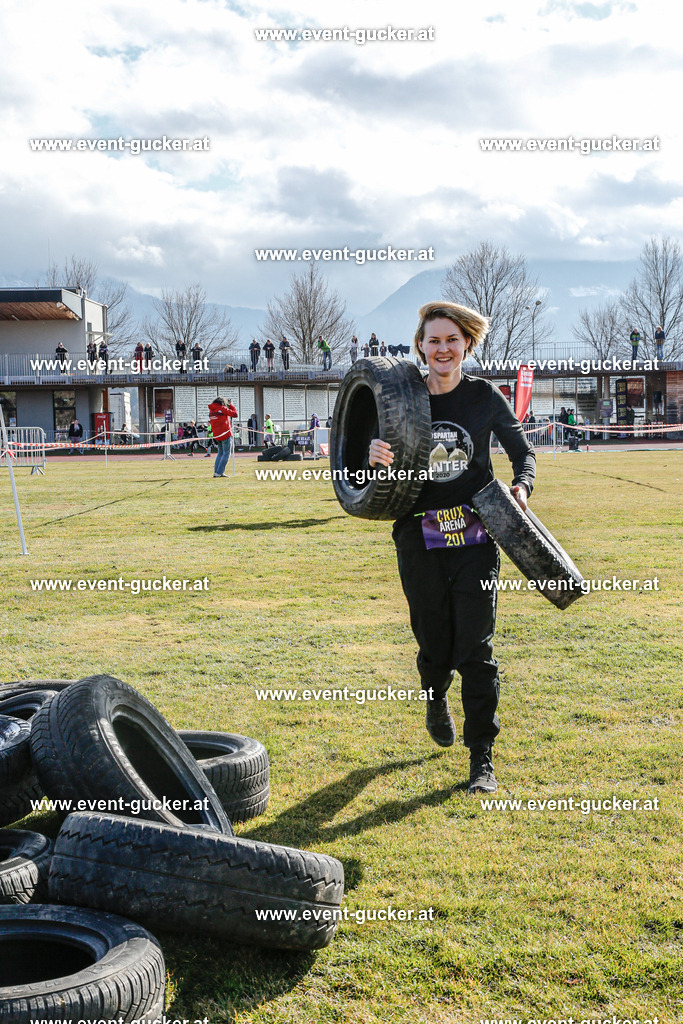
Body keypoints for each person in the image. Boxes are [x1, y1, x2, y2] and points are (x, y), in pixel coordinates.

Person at [368, 301, 535, 795]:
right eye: (434, 340)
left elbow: (521, 452)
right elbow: (359, 456)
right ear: (420, 345)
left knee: (477, 649)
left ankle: (481, 759)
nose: (443, 348)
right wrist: (371, 456)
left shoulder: (484, 396)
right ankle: (434, 695)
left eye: (452, 340)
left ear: (467, 345)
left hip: (476, 534)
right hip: (418, 535)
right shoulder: (402, 397)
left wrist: (521, 487)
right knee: (433, 640)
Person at [208, 396, 237, 477]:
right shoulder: (223, 408)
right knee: (226, 453)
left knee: (220, 453)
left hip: (217, 435)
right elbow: (235, 414)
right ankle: (220, 472)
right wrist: (230, 405)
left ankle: (216, 472)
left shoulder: (211, 410)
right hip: (225, 434)